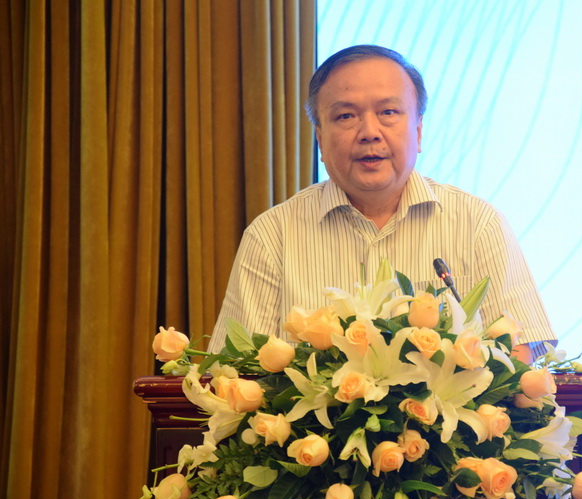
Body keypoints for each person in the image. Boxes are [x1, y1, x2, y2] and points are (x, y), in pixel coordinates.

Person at [208, 45, 556, 359]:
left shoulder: (477, 223)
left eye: (388, 112)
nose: (369, 132)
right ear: (320, 138)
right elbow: (236, 368)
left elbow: (521, 349)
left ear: (418, 130)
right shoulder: (273, 236)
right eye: (346, 116)